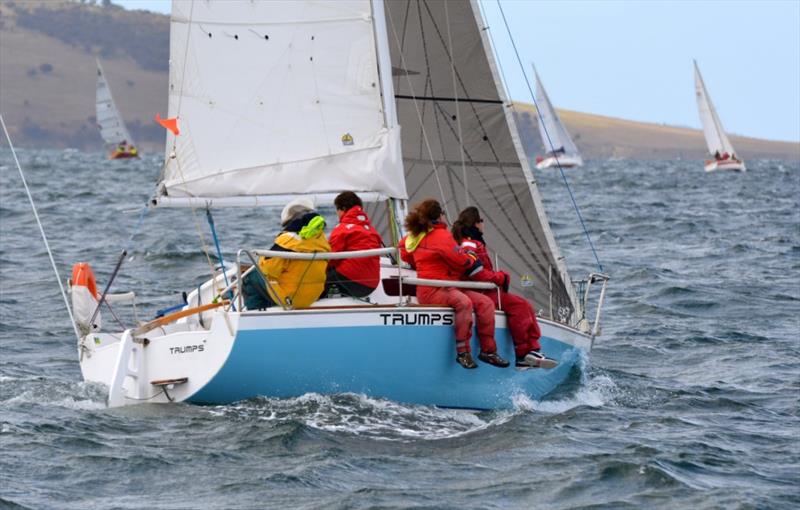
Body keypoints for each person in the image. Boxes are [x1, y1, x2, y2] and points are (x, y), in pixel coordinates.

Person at [399, 199, 509, 369]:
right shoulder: (442, 236)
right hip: (434, 289)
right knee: (464, 303)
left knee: (485, 303)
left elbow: (405, 254)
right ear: (439, 216)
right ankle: (462, 352)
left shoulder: (414, 235)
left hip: (445, 286)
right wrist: (472, 258)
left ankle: (488, 351)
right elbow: (461, 262)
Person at [452, 206, 558, 369]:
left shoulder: (471, 243)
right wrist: (500, 277)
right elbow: (476, 272)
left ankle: (531, 351)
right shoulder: (471, 245)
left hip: (482, 290)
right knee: (520, 306)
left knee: (525, 306)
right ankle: (523, 354)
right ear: (476, 223)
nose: (483, 224)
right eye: (482, 220)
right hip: (481, 291)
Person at [243, 197, 331, 310]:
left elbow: (269, 270)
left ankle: (256, 317)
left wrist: (261, 261)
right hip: (312, 297)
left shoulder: (288, 240)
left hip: (289, 297)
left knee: (249, 277)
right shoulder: (322, 240)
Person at [323, 191, 383, 298]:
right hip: (371, 285)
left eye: (337, 209)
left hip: (352, 281)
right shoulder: (370, 230)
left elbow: (331, 257)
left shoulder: (343, 228)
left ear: (343, 209)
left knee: (316, 281)